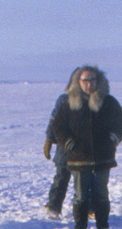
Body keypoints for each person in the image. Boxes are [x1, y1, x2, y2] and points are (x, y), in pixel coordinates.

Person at [50, 65, 122, 229]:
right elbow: (58, 126)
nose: (89, 84)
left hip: (103, 157)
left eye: (92, 80)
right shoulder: (69, 102)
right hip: (79, 157)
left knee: (101, 193)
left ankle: (103, 226)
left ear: (97, 80)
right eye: (85, 80)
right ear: (79, 82)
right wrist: (69, 143)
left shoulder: (108, 101)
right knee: (81, 195)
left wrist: (113, 138)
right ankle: (80, 227)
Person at [40, 67, 82, 218]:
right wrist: (49, 139)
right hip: (64, 146)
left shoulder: (92, 101)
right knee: (61, 178)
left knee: (85, 180)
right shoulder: (64, 100)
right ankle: (53, 207)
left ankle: (89, 209)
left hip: (84, 148)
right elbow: (54, 121)